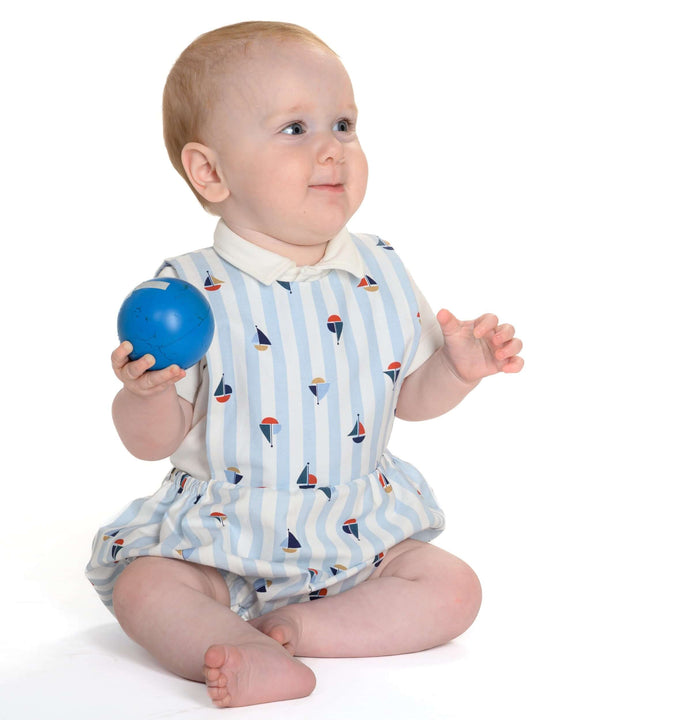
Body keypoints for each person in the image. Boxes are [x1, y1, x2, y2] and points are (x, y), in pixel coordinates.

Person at [86, 21, 524, 708]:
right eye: (295, 128)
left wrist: (457, 370)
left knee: (454, 589)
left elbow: (409, 397)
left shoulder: (379, 268)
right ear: (210, 172)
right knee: (146, 586)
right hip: (221, 542)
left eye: (344, 125)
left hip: (358, 532)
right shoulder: (191, 293)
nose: (332, 149)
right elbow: (152, 442)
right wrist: (145, 394)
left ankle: (298, 630)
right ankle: (238, 648)